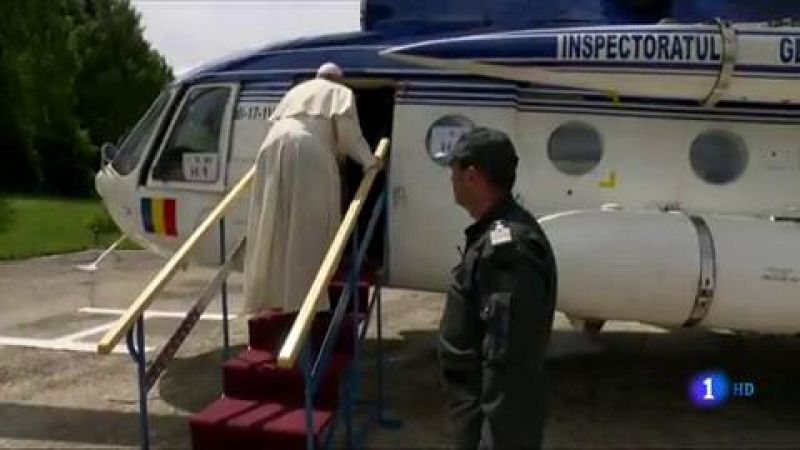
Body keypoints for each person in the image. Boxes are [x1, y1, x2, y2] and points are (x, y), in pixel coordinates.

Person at [439, 128, 557, 449]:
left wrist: (492, 438)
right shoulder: (496, 234)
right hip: (475, 409)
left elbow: (507, 357)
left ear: (472, 176)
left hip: (493, 421)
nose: (451, 181)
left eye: (454, 172)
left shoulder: (508, 249)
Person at [243, 62, 381, 315]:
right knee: (309, 224)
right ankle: (304, 299)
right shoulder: (340, 93)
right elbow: (349, 135)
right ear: (338, 80)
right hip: (308, 148)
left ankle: (271, 296)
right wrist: (370, 161)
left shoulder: (294, 93)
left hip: (269, 149)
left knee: (274, 224)